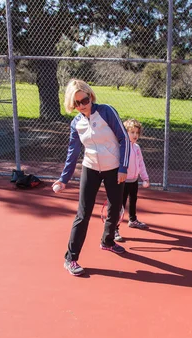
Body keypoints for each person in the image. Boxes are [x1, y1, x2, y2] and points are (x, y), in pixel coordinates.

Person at [52, 79, 130, 276]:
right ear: (72, 104)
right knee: (83, 213)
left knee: (115, 207)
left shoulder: (106, 112)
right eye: (76, 103)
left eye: (84, 100)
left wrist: (123, 168)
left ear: (90, 96)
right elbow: (73, 152)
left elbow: (124, 139)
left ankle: (107, 241)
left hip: (113, 168)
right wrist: (63, 179)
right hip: (91, 168)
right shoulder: (76, 123)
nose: (81, 105)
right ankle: (70, 258)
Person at [115, 119, 150, 243]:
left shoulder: (137, 147)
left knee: (133, 200)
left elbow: (141, 164)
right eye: (132, 132)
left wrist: (145, 178)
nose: (135, 135)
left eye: (137, 132)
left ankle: (133, 220)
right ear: (125, 133)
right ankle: (115, 228)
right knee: (120, 205)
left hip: (134, 180)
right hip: (123, 181)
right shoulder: (121, 147)